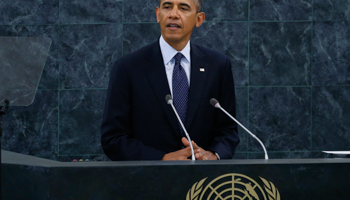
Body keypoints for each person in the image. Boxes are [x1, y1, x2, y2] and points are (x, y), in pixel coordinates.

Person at [101, 0, 239, 161]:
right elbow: (113, 139)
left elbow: (228, 131)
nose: (173, 14)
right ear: (158, 14)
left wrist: (214, 155)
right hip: (148, 180)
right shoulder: (128, 67)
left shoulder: (217, 66)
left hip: (202, 180)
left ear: (199, 19)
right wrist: (162, 159)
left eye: (183, 8)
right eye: (167, 7)